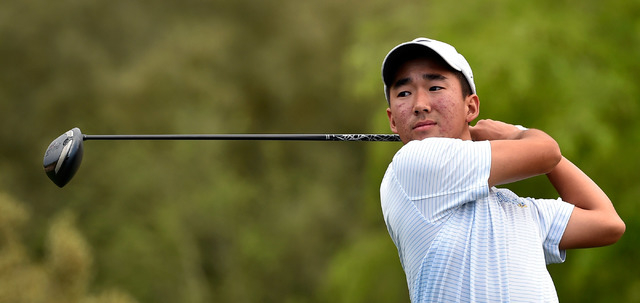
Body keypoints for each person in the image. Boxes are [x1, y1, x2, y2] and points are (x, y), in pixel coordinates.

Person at [379, 37, 625, 302]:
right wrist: (516, 134)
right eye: (404, 93)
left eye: (435, 87)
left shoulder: (513, 207)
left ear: (470, 106)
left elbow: (607, 223)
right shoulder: (414, 162)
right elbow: (547, 153)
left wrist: (524, 142)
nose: (420, 104)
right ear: (393, 119)